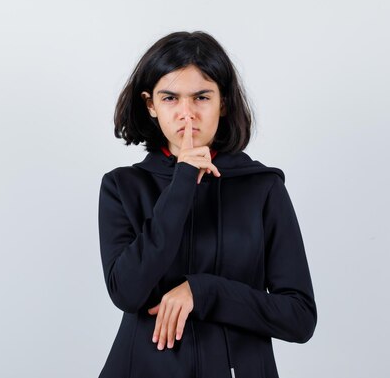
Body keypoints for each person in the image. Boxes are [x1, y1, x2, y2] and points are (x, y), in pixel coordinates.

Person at [97, 31, 317, 378]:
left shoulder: (263, 187)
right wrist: (183, 180)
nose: (187, 114)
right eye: (170, 98)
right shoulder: (122, 187)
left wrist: (203, 292)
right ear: (150, 104)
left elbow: (299, 318)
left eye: (201, 97)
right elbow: (127, 291)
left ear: (223, 102)